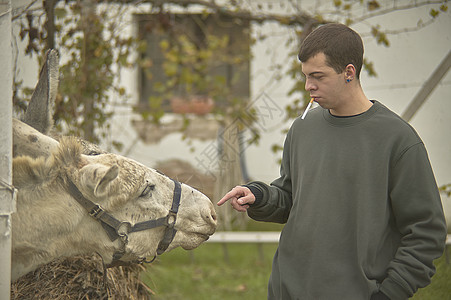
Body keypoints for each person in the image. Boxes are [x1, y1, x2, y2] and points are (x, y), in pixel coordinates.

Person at [217, 23, 447, 300]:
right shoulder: (302, 129)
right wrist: (259, 196)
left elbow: (426, 233)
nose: (308, 86)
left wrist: (389, 294)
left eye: (318, 76)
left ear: (349, 72)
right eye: (305, 76)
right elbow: (291, 199)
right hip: (286, 290)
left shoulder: (398, 140)